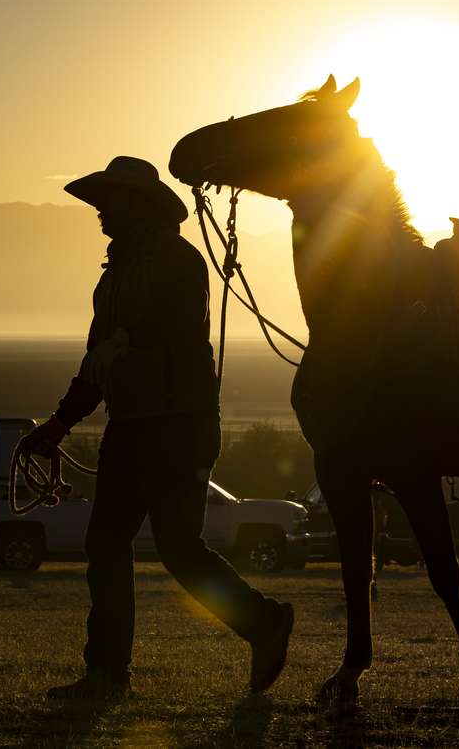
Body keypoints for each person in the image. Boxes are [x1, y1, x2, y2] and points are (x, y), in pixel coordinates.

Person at [20, 156, 294, 705]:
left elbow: (170, 343)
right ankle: (107, 675)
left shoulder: (178, 262)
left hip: (177, 427)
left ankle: (262, 624)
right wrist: (57, 424)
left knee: (177, 549)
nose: (99, 213)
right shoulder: (114, 277)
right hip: (137, 428)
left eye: (108, 203)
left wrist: (126, 348)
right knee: (111, 545)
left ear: (135, 206)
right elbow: (95, 364)